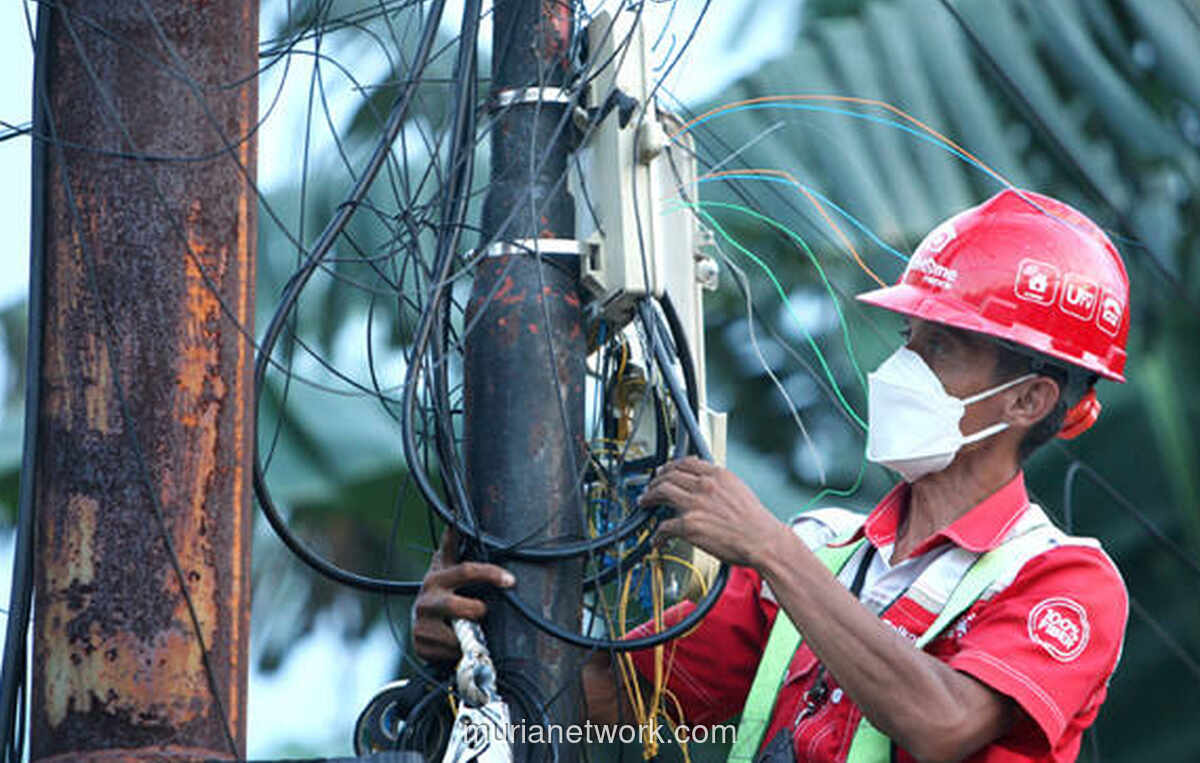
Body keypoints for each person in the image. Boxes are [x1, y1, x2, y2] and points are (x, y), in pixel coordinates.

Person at [412, 189, 1131, 762]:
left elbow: (944, 723)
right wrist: (478, 644)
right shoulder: (824, 553)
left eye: (939, 347)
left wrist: (770, 549)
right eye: (907, 340)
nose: (899, 369)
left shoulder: (1064, 580)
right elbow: (606, 699)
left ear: (1028, 399)